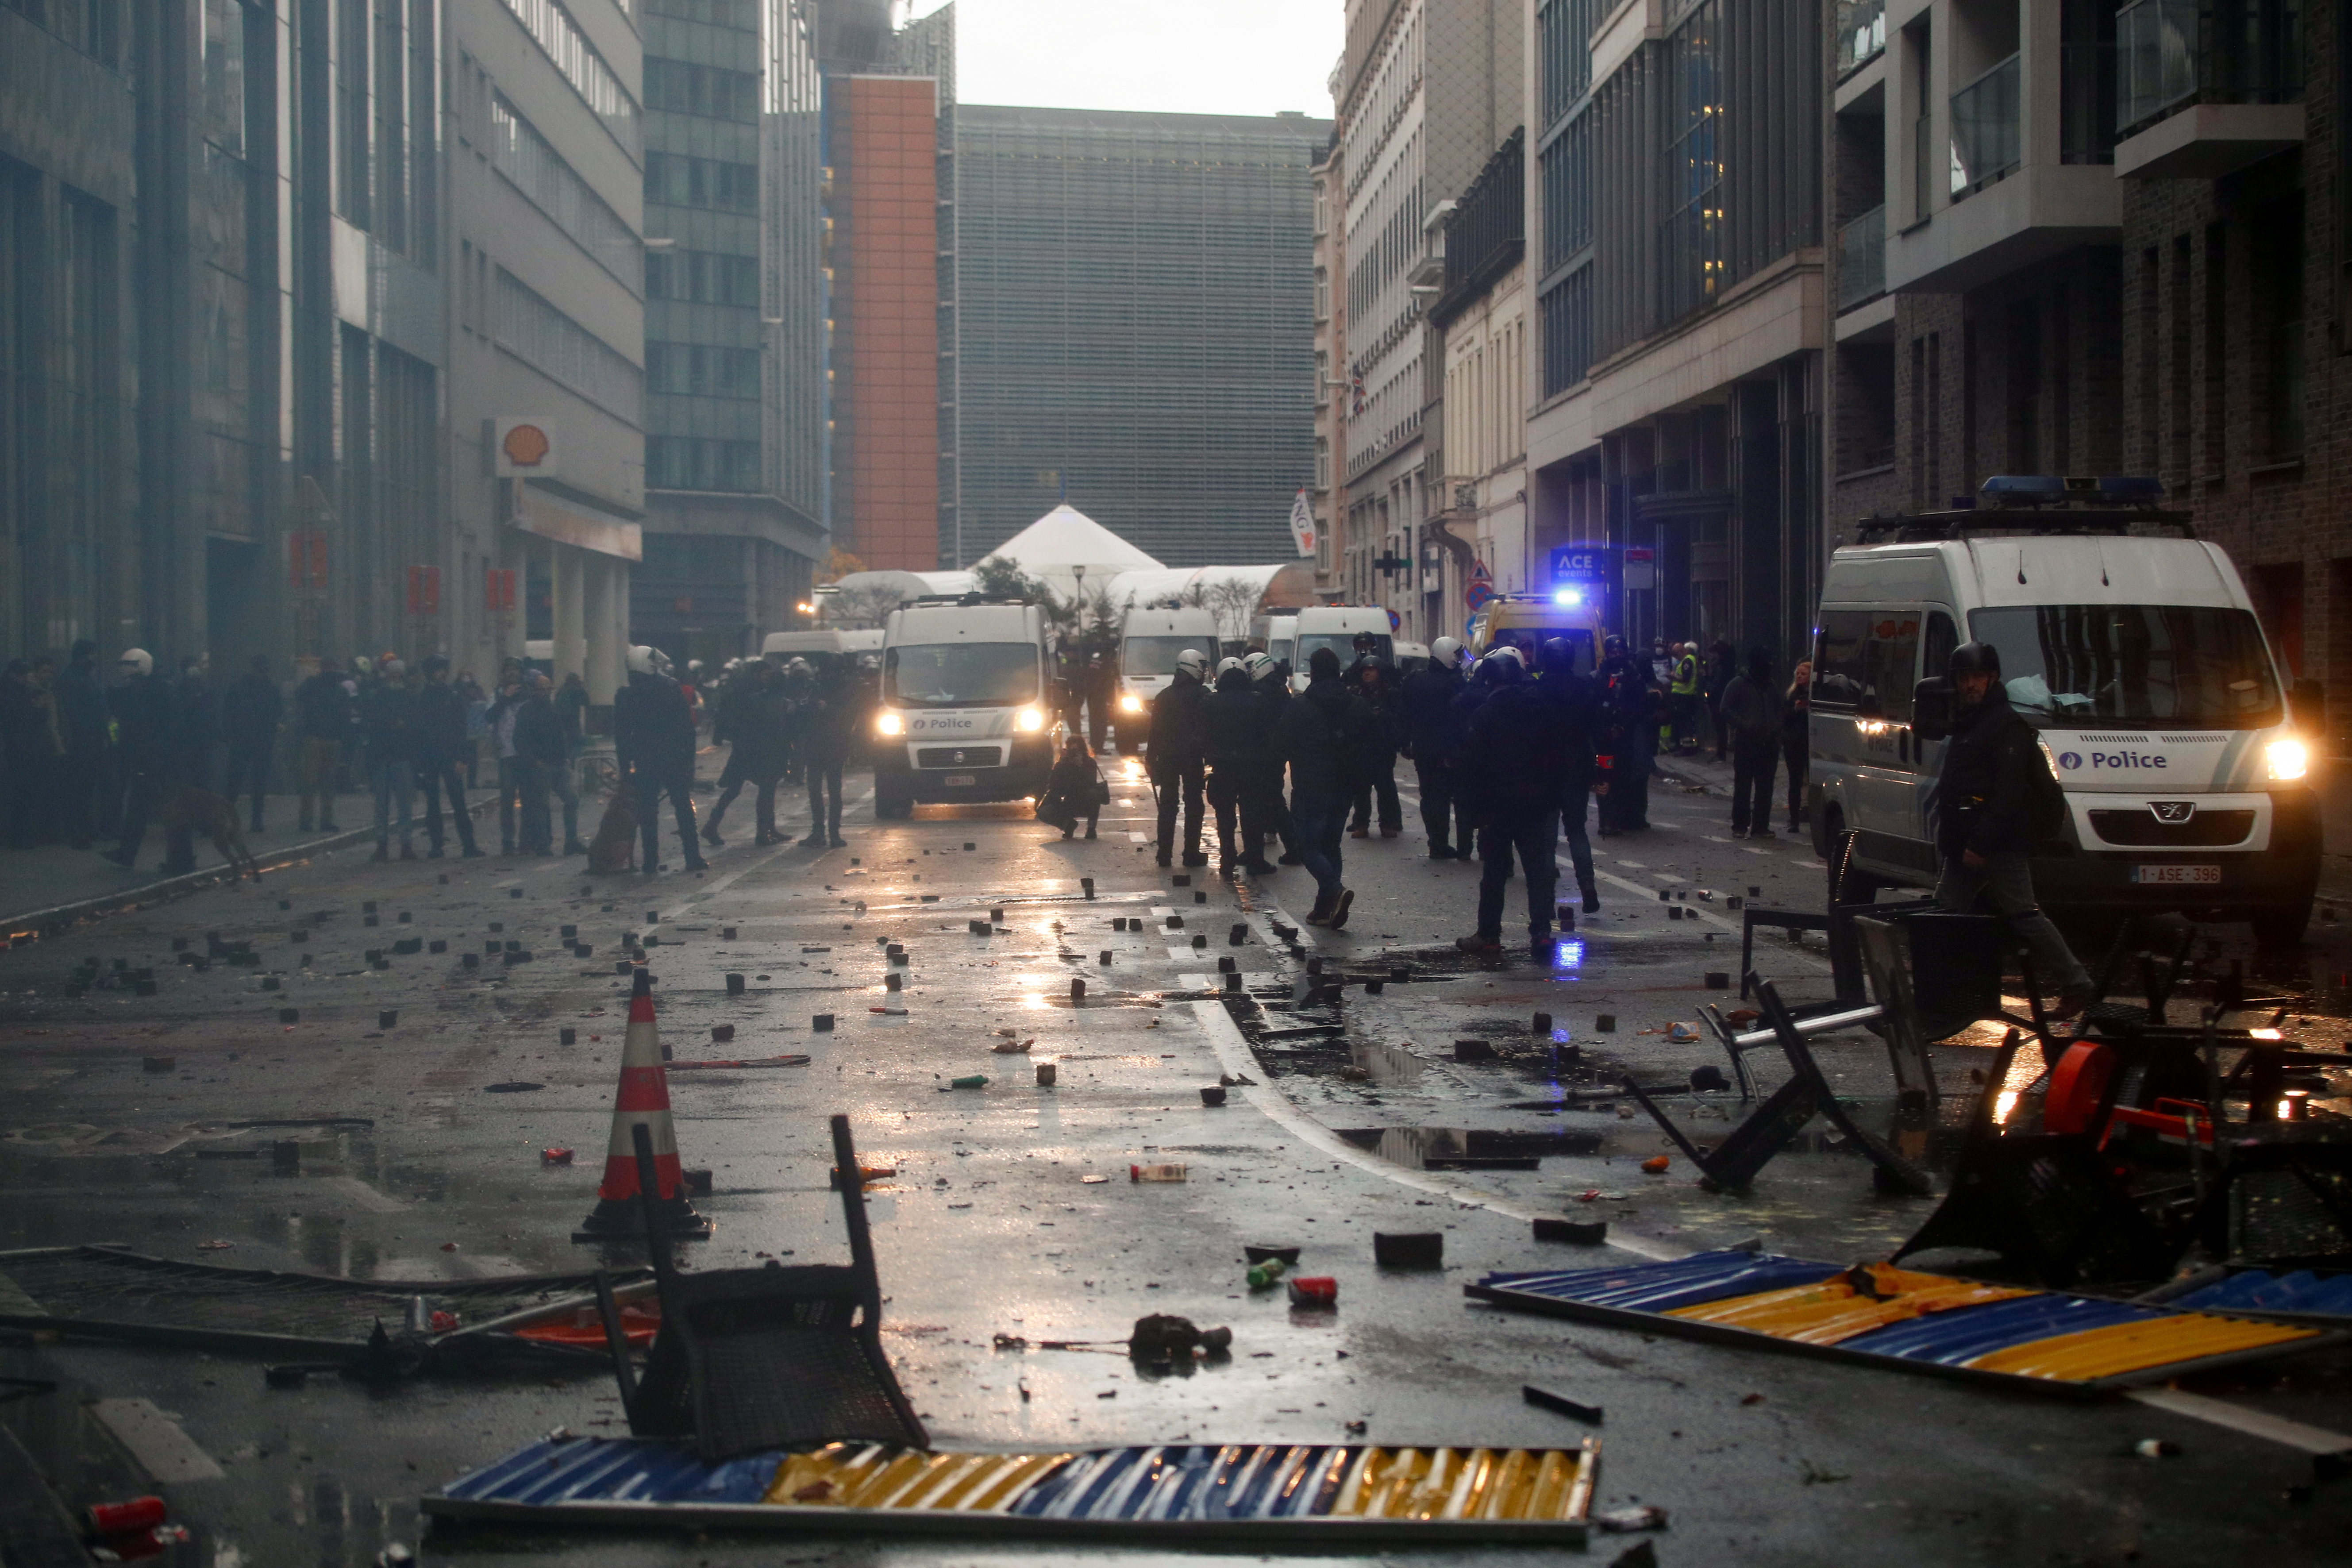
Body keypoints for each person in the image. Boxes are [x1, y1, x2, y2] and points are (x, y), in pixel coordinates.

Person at [1932, 641, 2093, 1018]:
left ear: (1991, 679)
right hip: (1965, 843)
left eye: (1976, 677)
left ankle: (2077, 983)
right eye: (1963, 678)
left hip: (1996, 844)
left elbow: (2007, 794)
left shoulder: (2005, 726)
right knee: (1942, 913)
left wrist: (1981, 842)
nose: (1969, 685)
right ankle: (1940, 991)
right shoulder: (1970, 722)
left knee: (2023, 914)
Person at [1454, 647, 1562, 960]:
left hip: (1496, 806)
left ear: (1489, 682)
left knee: (1495, 873)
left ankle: (1489, 935)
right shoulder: (1539, 709)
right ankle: (1541, 933)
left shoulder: (1484, 715)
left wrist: (1470, 809)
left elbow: (1471, 764)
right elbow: (1555, 756)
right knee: (1538, 872)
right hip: (1535, 803)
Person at [1275, 646, 1362, 928]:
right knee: (1331, 844)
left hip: (1312, 784)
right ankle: (1325, 910)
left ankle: (1334, 891)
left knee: (1307, 847)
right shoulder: (1353, 703)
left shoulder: (1300, 705)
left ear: (1313, 672)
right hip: (1345, 782)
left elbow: (1283, 743)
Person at [613, 646, 706, 871]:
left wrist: (625, 768)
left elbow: (622, 735)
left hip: (645, 759)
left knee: (648, 812)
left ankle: (650, 861)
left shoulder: (626, 695)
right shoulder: (670, 688)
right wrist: (689, 760)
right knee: (683, 806)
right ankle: (693, 857)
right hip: (674, 757)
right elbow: (686, 728)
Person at [1536, 637, 1607, 913]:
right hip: (1578, 770)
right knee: (1577, 831)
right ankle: (1588, 887)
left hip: (1545, 772)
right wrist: (1603, 771)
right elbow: (1599, 733)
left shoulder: (1536, 690)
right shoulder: (1585, 689)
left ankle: (1545, 896)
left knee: (1547, 836)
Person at [104, 649, 190, 873]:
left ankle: (180, 860)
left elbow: (160, 726)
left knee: (166, 810)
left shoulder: (157, 691)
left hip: (158, 760)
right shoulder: (157, 689)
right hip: (154, 759)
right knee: (144, 808)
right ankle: (132, 853)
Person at [1200, 656, 1274, 875]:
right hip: (1252, 766)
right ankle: (1255, 859)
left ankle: (1228, 859)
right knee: (1253, 815)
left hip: (1223, 767)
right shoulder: (1259, 700)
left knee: (1225, 817)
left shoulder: (1210, 702)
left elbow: (1203, 734)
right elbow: (1267, 734)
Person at [1399, 636, 1471, 859]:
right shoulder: (1455, 683)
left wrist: (1404, 743)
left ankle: (1436, 840)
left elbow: (1403, 716)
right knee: (1452, 796)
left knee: (1430, 795)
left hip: (1423, 748)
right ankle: (1457, 845)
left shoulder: (1415, 682)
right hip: (1449, 749)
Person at [1146, 646, 1210, 868]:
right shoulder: (1202, 696)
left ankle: (1164, 854)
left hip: (1166, 758)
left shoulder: (1163, 696)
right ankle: (1190, 854)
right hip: (1193, 757)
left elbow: (1154, 732)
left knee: (1168, 805)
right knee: (1194, 804)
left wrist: (1149, 759)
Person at [413, 657, 482, 858]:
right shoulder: (425, 697)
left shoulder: (452, 695)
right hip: (431, 757)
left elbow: (462, 729)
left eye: (444, 670)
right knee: (433, 803)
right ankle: (437, 845)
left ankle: (469, 844)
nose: (442, 674)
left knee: (459, 802)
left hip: (451, 757)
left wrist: (463, 758)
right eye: (438, 670)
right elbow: (420, 731)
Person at [1718, 648, 1784, 839]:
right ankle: (1740, 825)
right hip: (1747, 742)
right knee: (1743, 786)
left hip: (1768, 743)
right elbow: (1725, 709)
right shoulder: (1739, 684)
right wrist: (1746, 725)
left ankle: (1761, 826)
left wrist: (1775, 729)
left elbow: (1780, 710)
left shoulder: (1770, 686)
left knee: (1765, 787)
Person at [359, 658, 418, 861]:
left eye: (398, 673)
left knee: (405, 805)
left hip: (402, 756)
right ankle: (382, 845)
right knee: (382, 805)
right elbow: (370, 723)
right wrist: (388, 724)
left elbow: (415, 724)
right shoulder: (378, 697)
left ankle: (406, 845)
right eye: (393, 673)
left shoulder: (410, 698)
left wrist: (405, 727)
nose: (396, 677)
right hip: (382, 757)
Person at [55, 641, 113, 849]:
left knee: (87, 788)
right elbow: (73, 714)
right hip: (82, 742)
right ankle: (79, 832)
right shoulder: (74, 680)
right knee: (80, 788)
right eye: (92, 654)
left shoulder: (87, 677)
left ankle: (86, 829)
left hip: (93, 741)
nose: (95, 659)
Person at [1598, 635, 1658, 834]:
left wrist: (1625, 724)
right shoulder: (1600, 675)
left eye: (1620, 652)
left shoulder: (1634, 675)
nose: (1617, 656)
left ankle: (1623, 818)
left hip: (1626, 738)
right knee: (1604, 776)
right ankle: (1607, 820)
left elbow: (1640, 705)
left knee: (1623, 777)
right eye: (1613, 652)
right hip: (1606, 740)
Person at [0, 659, 62, 848]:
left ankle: (22, 835)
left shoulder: (15, 692)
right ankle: (22, 836)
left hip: (19, 748)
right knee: (23, 793)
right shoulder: (16, 694)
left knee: (21, 793)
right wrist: (38, 709)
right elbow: (23, 718)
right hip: (20, 748)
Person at [1246, 651, 1298, 865]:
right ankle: (1284, 843)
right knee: (1272, 799)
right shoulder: (1279, 688)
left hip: (1266, 752)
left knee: (1270, 801)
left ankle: (1292, 848)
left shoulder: (1264, 691)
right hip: (1276, 752)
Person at [219, 655, 281, 834]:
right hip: (244, 740)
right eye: (261, 670)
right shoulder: (240, 689)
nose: (263, 673)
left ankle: (256, 819)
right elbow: (228, 712)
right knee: (235, 781)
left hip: (261, 741)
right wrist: (231, 734)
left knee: (258, 782)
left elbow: (278, 713)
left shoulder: (270, 690)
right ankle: (227, 817)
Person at [1345, 655, 1403, 839]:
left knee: (1385, 787)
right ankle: (1361, 824)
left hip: (1383, 748)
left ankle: (1388, 823)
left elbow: (1399, 718)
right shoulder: (1356, 694)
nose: (1368, 673)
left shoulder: (1390, 693)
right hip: (1362, 748)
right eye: (1365, 670)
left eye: (1372, 670)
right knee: (1361, 789)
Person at [512, 671, 568, 853]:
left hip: (558, 763)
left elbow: (560, 735)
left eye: (548, 689)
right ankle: (543, 843)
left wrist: (565, 756)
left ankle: (570, 841)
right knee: (540, 806)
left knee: (571, 800)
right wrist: (534, 760)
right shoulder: (527, 711)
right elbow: (520, 739)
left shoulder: (553, 709)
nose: (546, 692)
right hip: (540, 765)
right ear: (534, 691)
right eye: (542, 689)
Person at [293, 659, 351, 833]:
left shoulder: (317, 686)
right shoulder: (338, 690)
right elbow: (345, 716)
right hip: (321, 738)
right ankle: (316, 820)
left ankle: (313, 820)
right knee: (318, 781)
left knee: (321, 782)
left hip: (320, 737)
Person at [801, 655, 852, 847]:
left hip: (834, 744)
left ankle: (833, 832)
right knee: (815, 791)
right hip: (815, 744)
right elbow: (804, 712)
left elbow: (849, 714)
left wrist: (828, 708)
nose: (826, 675)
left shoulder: (845, 688)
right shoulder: (815, 687)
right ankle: (819, 832)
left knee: (834, 791)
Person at [1039, 733, 1105, 840]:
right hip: (1068, 802)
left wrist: (1080, 767)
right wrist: (1063, 766)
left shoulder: (1089, 763)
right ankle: (1067, 825)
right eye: (1072, 751)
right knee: (1044, 812)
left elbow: (1090, 784)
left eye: (1077, 751)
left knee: (1094, 794)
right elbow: (1054, 786)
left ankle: (1091, 828)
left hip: (1086, 802)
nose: (1074, 755)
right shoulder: (1063, 764)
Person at [1782, 659, 1812, 836]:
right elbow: (1784, 717)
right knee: (1795, 781)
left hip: (1811, 741)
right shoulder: (1792, 694)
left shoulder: (1816, 695)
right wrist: (1795, 709)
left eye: (1804, 674)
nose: (1800, 677)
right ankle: (1794, 820)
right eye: (1798, 674)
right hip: (1794, 742)